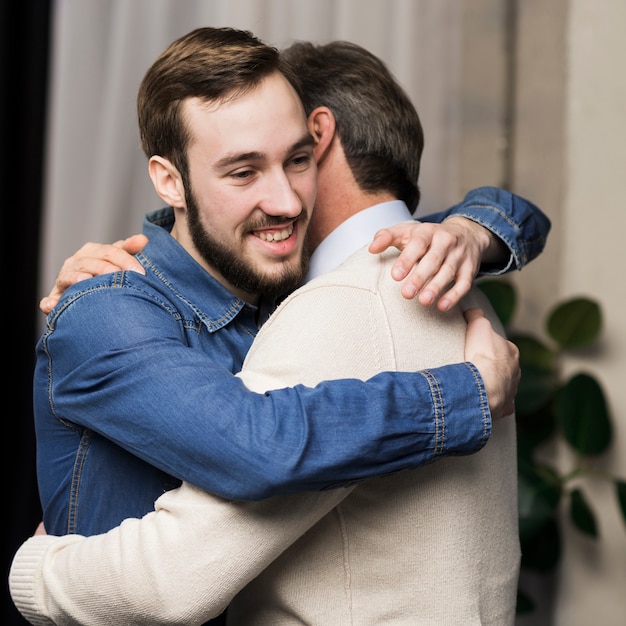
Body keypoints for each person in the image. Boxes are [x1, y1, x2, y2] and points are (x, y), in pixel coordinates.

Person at [10, 28, 549, 624]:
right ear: (169, 180)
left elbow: (425, 223)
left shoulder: (293, 288)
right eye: (243, 172)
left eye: (297, 161)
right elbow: (259, 445)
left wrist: (474, 232)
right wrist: (467, 394)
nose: (288, 202)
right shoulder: (109, 313)